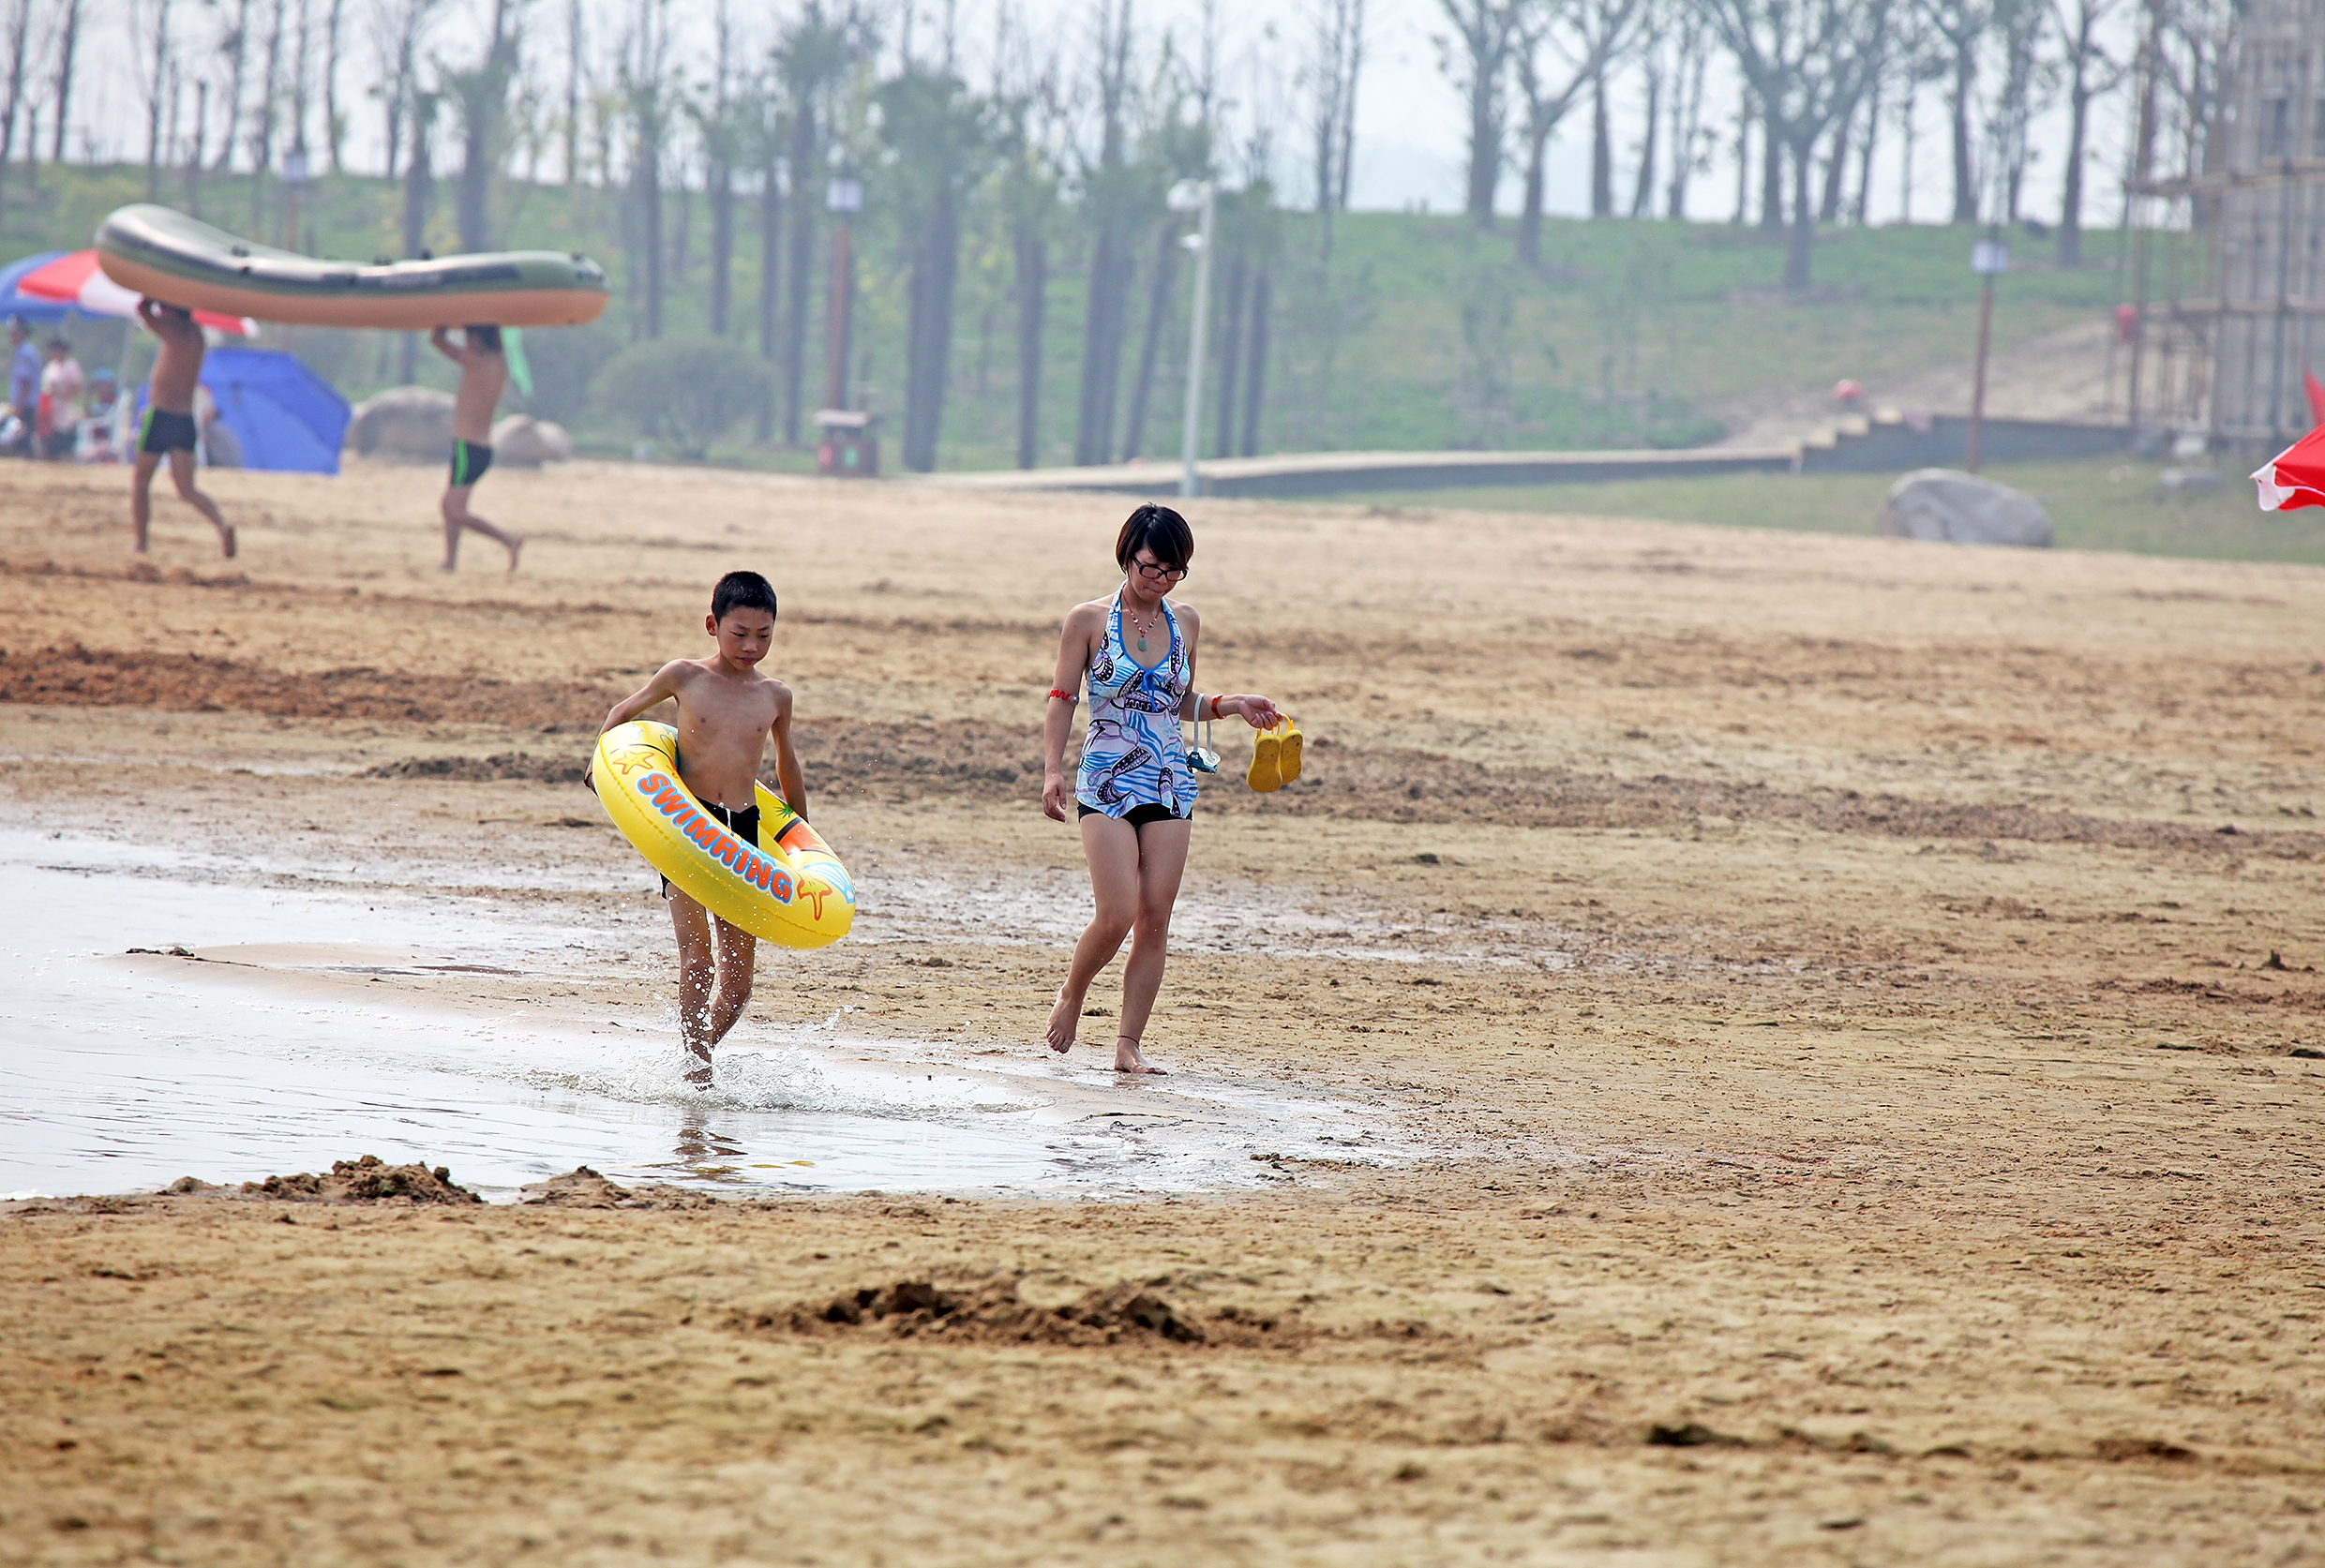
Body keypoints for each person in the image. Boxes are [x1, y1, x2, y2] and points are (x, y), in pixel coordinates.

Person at [1041, 503, 1282, 1074]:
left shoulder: (1186, 622)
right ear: (1128, 556)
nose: (1161, 581)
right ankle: (1074, 991)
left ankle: (1128, 1045)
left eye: (1174, 572)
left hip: (1170, 779)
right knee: (1118, 910)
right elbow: (1062, 699)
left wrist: (1233, 704)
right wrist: (1052, 770)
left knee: (1155, 914)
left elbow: (1178, 700)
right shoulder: (1087, 619)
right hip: (1105, 777)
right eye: (1152, 568)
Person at [597, 571, 805, 1085]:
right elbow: (623, 712)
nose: (752, 646)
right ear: (712, 625)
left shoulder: (776, 696)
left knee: (738, 983)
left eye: (764, 635)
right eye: (740, 634)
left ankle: (697, 1053)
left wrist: (800, 840)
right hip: (685, 830)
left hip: (744, 832)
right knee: (697, 961)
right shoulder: (684, 676)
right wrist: (599, 764)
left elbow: (786, 766)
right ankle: (698, 1073)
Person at [130, 299, 234, 559]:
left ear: (170, 311)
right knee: (187, 489)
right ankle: (222, 525)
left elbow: (143, 311)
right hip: (185, 420)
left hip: (161, 416)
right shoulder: (197, 336)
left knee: (141, 482)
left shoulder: (172, 331)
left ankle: (141, 543)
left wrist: (151, 292)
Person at [429, 323, 522, 573]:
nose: (466, 343)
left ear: (479, 339)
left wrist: (443, 318)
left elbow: (437, 342)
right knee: (455, 506)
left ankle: (508, 540)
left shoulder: (475, 362)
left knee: (451, 508)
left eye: (469, 337)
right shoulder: (499, 364)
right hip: (477, 448)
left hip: (468, 449)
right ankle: (450, 561)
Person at [37, 335, 82, 459]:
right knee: (48, 434)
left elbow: (75, 388)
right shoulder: (51, 367)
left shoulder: (71, 365)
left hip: (65, 405)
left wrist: (59, 395)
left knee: (63, 432)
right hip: (51, 407)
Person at [7, 316, 38, 455]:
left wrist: (19, 405)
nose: (11, 336)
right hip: (23, 403)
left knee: (22, 437)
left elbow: (26, 382)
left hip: (25, 404)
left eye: (14, 333)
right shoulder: (21, 351)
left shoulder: (25, 353)